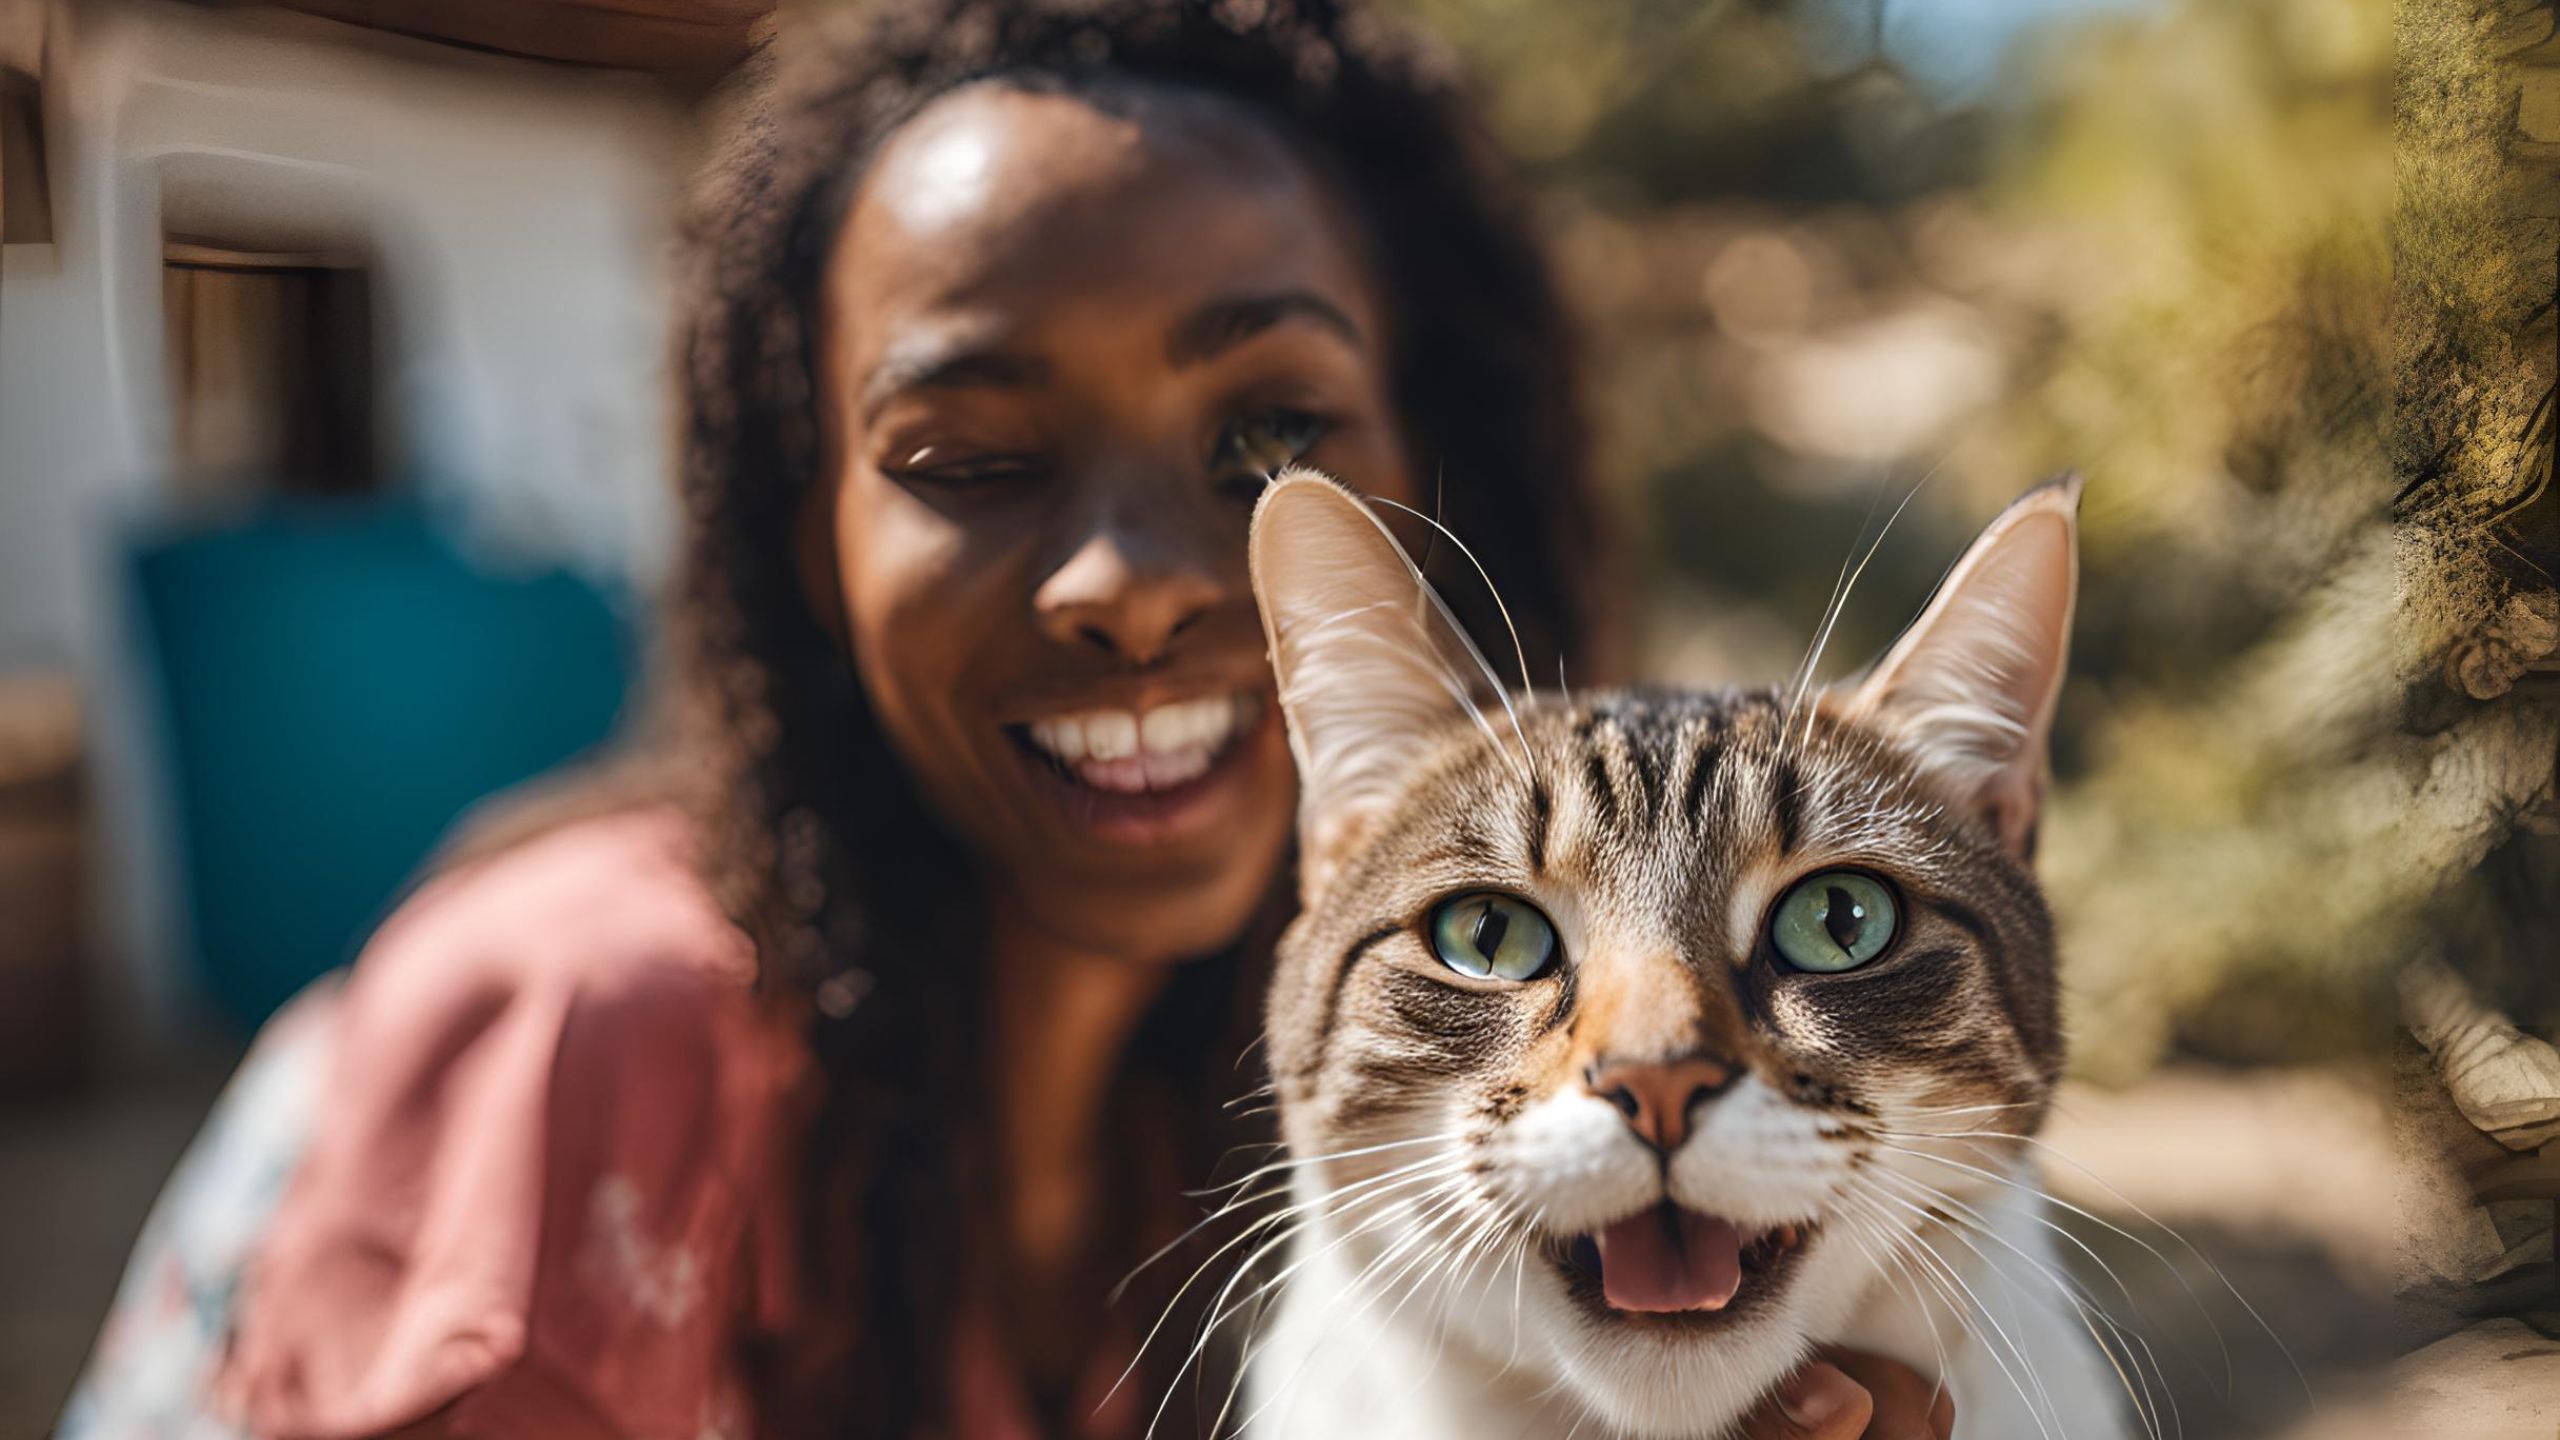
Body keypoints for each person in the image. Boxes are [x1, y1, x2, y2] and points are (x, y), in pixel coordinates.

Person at [62, 2, 1950, 1437]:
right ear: (807, 543)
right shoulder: (578, 1031)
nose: (1125, 577)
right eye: (968, 453)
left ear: (1436, 499)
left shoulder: (1344, 1095)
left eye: (1272, 442)